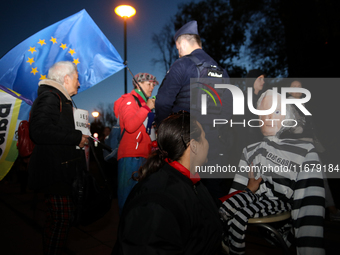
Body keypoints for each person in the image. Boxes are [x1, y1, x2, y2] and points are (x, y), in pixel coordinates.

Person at [220, 89, 325, 255]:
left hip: (282, 216)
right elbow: (235, 192)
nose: (267, 117)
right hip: (255, 215)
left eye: (275, 111)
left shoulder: (305, 151)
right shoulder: (249, 151)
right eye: (262, 112)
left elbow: (310, 208)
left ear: (287, 117)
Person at [113, 112, 223, 254]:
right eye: (204, 137)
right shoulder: (156, 201)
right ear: (194, 145)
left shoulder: (190, 182)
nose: (208, 143)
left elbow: (204, 213)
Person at [28, 61, 89, 254]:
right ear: (66, 78)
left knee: (57, 221)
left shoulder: (59, 100)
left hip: (59, 169)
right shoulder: (50, 97)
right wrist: (76, 137)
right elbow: (39, 130)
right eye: (77, 79)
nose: (79, 84)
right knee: (62, 219)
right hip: (54, 172)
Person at [155, 20, 230, 125]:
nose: (179, 54)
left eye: (178, 49)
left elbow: (162, 103)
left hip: (184, 135)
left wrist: (162, 129)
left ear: (184, 43)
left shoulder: (182, 64)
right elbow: (227, 107)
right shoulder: (222, 71)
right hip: (212, 136)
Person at [114, 72, 158, 214]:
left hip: (145, 156)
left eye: (153, 84)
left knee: (140, 200)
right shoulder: (129, 100)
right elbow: (130, 126)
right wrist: (146, 108)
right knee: (128, 200)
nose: (152, 87)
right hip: (131, 155)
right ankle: (125, 233)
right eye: (148, 84)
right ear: (138, 84)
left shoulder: (144, 103)